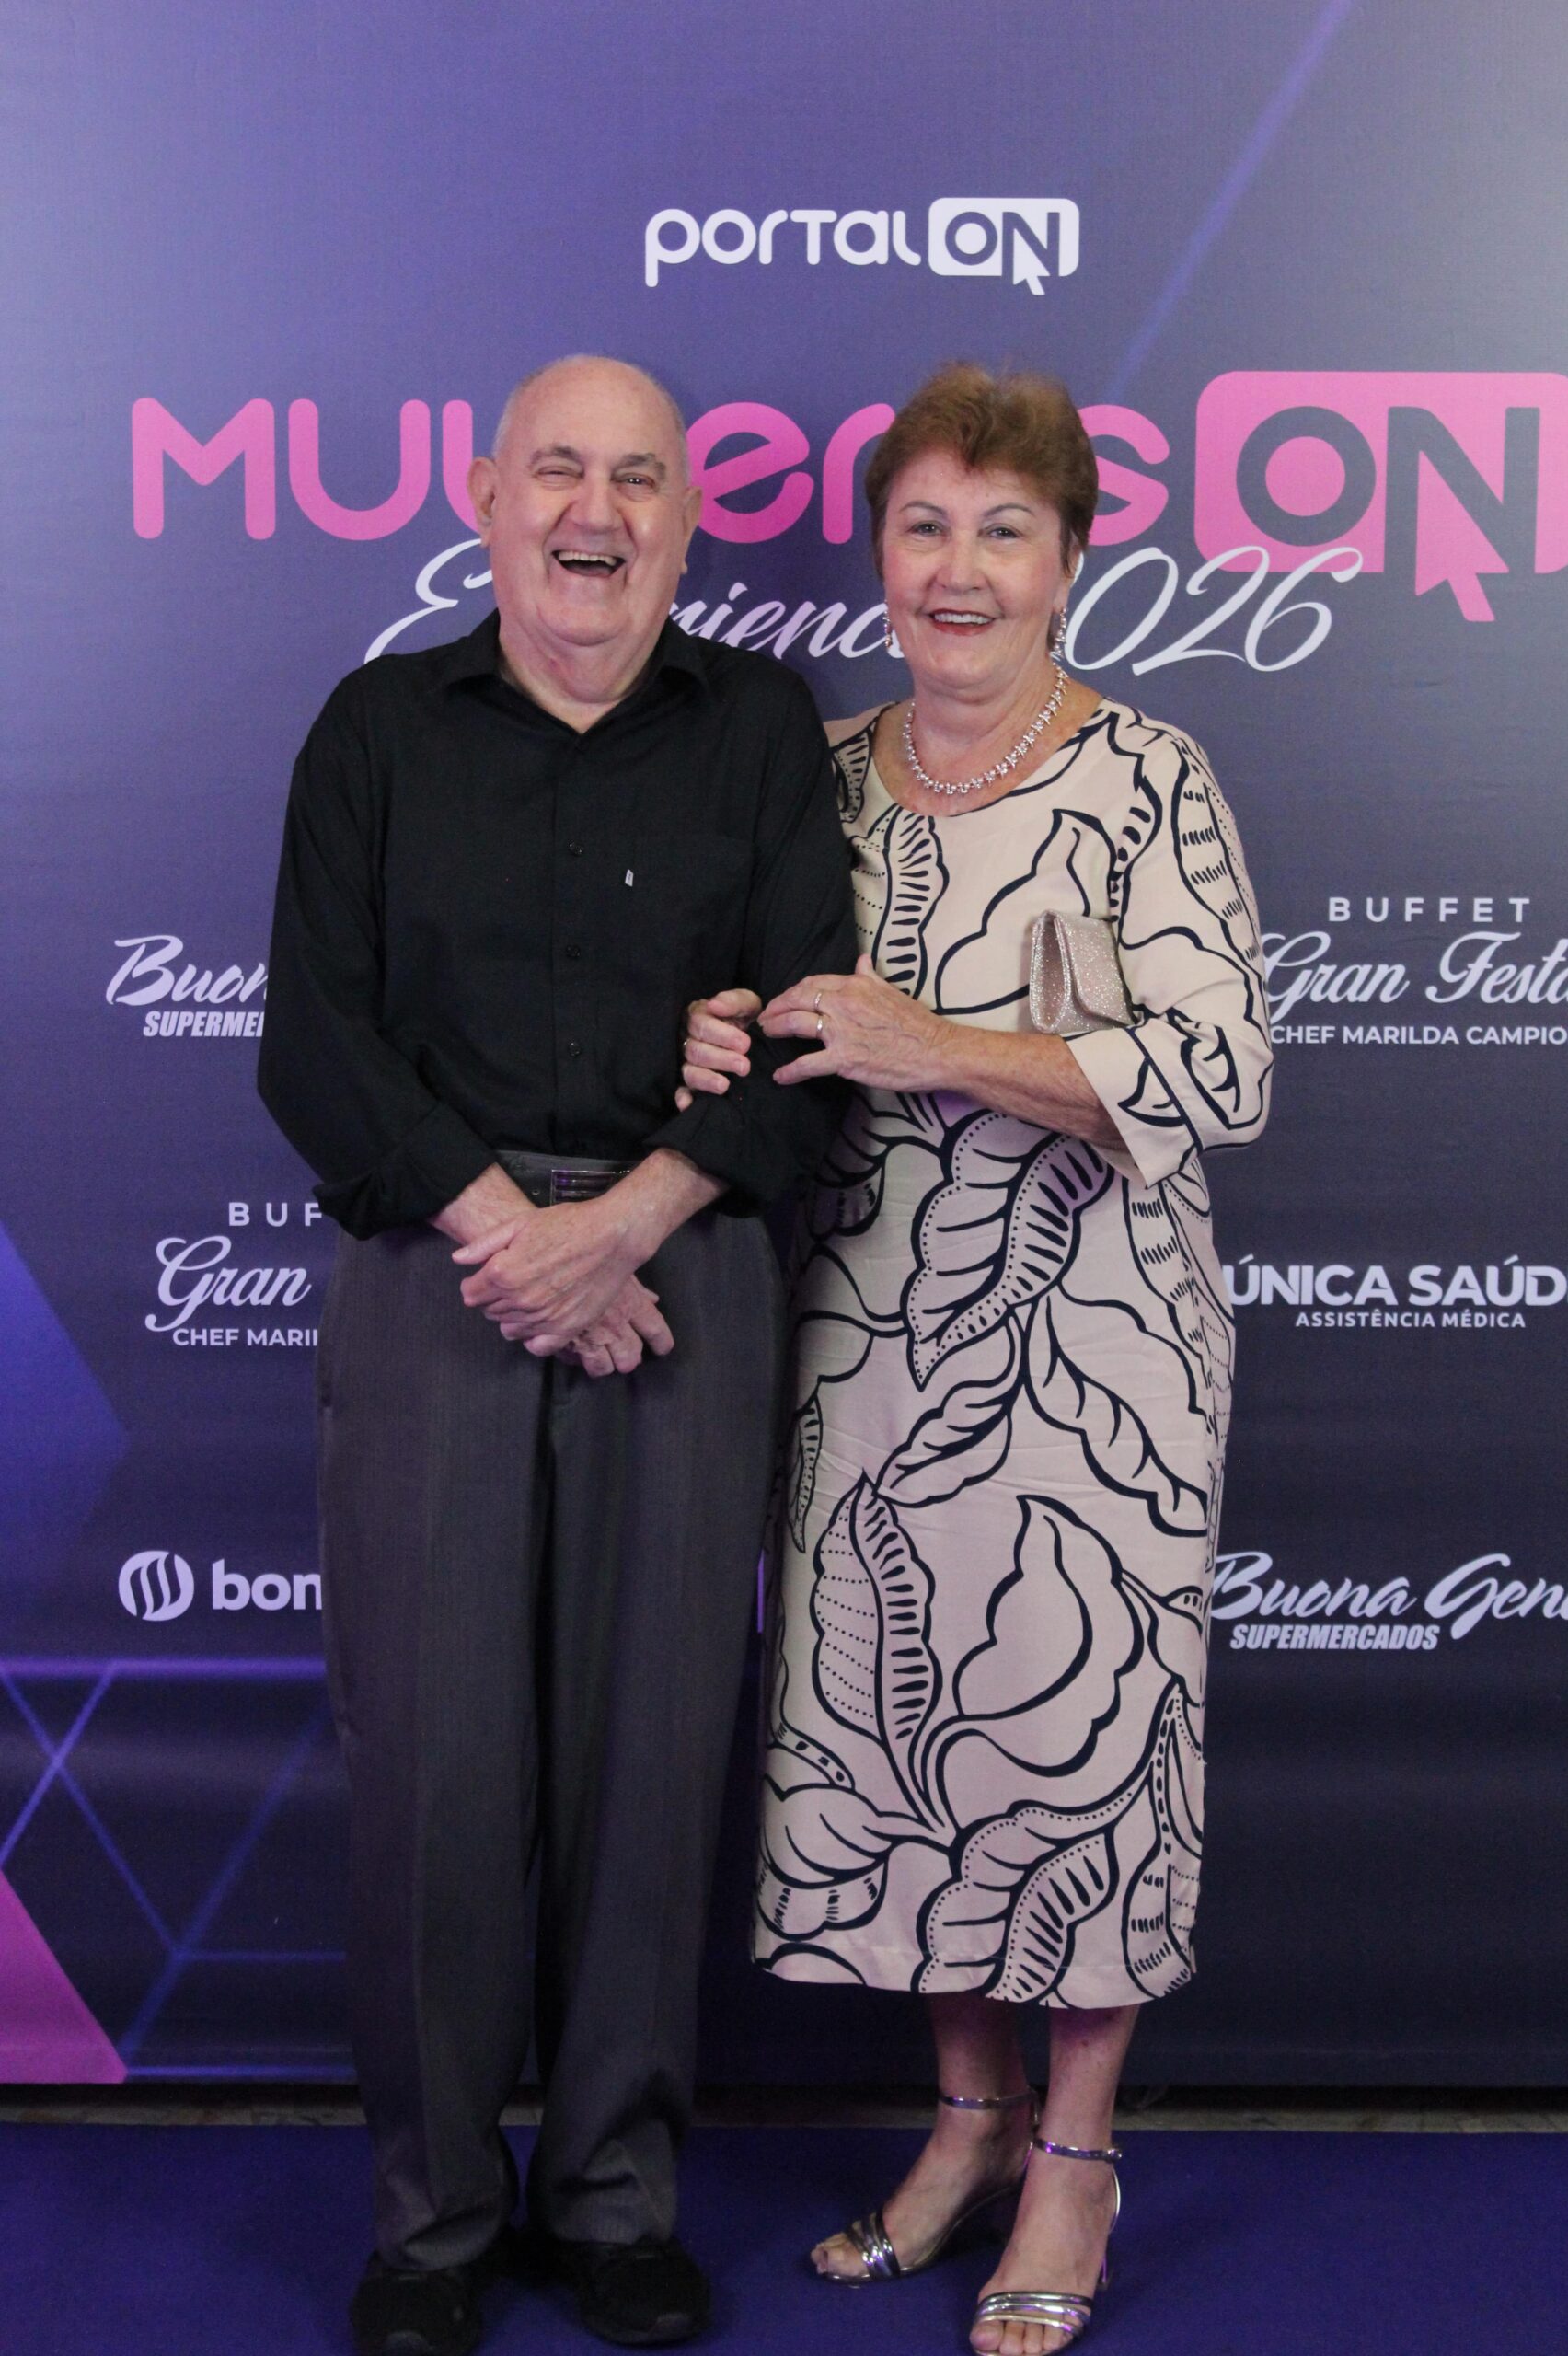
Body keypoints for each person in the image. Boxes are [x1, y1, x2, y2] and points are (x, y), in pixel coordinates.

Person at [259, 354, 855, 2356]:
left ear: (687, 516)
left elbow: (806, 1043)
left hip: (679, 1281)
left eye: (640, 479)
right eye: (559, 473)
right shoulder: (376, 727)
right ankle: (433, 2221)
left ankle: (612, 2196)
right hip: (443, 1276)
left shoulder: (759, 728)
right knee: (435, 1768)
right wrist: (521, 1239)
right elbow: (313, 1041)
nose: (596, 514)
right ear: (487, 494)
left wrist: (621, 1225)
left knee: (650, 1757)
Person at [679, 364, 1273, 2356]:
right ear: (877, 552)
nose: (958, 568)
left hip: (1104, 1346)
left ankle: (1076, 2154)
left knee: (1082, 1726)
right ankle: (964, 2117)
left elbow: (1219, 1071)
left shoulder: (1150, 776)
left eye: (1002, 529)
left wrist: (934, 1044)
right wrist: (712, 1036)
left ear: (1069, 558)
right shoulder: (815, 772)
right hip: (861, 1331)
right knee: (903, 1722)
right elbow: (753, 1024)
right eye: (923, 524)